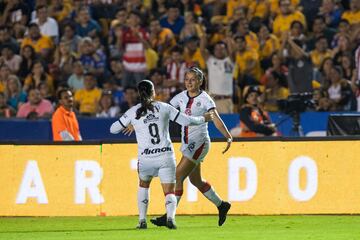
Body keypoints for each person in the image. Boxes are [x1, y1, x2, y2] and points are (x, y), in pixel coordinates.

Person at [110, 80, 213, 229]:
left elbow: (113, 129)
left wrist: (130, 123)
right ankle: (170, 218)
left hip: (146, 158)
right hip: (165, 156)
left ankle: (142, 221)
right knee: (169, 191)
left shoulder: (133, 112)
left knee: (144, 186)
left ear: (139, 94)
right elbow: (186, 121)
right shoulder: (164, 107)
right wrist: (204, 118)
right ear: (154, 92)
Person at [149, 67, 233, 227]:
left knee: (177, 176)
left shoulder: (206, 99)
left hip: (199, 143)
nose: (189, 82)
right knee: (196, 181)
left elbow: (215, 119)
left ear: (200, 81)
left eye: (192, 79)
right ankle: (222, 205)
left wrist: (228, 136)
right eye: (187, 79)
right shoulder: (180, 97)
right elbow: (166, 110)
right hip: (187, 143)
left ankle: (168, 216)